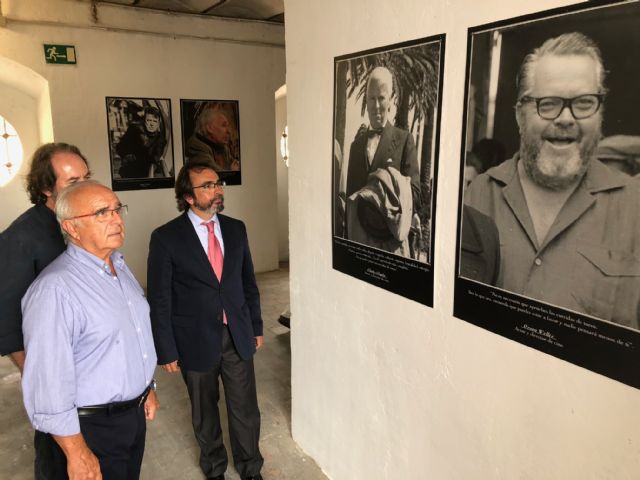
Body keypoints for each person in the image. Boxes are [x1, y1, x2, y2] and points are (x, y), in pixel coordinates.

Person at [465, 32, 640, 328]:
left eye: (584, 103)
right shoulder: (479, 195)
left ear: (600, 113)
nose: (566, 118)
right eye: (548, 103)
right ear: (520, 114)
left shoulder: (634, 207)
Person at [21, 180, 159, 479]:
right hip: (89, 429)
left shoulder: (119, 268)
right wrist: (75, 451)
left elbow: (131, 337)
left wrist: (146, 388)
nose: (117, 219)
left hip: (130, 418)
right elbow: (48, 382)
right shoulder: (54, 289)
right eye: (101, 213)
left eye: (116, 209)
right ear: (71, 228)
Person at [147, 163, 263, 480]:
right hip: (194, 338)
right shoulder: (166, 238)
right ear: (187, 196)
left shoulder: (236, 228)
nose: (216, 190)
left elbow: (247, 282)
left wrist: (256, 325)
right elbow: (159, 299)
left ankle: (251, 468)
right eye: (207, 186)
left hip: (237, 333)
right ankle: (214, 468)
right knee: (204, 410)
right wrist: (166, 349)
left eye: (218, 183)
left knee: (245, 409)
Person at [0, 143, 91, 374]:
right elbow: (7, 317)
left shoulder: (88, 221)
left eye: (86, 178)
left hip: (91, 347)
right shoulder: (19, 238)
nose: (85, 187)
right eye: (73, 182)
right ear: (46, 188)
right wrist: (33, 373)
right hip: (53, 355)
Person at [344, 66, 421, 254]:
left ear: (391, 100)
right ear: (366, 100)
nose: (376, 105)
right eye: (371, 98)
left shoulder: (404, 140)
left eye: (381, 98)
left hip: (390, 245)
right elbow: (351, 197)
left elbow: (415, 193)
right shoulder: (355, 147)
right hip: (360, 242)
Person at [186, 104, 240, 172]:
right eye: (224, 125)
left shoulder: (222, 147)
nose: (229, 131)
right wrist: (232, 171)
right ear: (209, 128)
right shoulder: (196, 146)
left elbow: (234, 164)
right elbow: (214, 174)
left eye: (227, 125)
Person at [117, 106, 167, 178]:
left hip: (144, 173)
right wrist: (125, 155)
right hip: (128, 171)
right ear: (144, 120)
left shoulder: (160, 139)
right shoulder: (133, 130)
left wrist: (135, 157)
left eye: (155, 121)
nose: (151, 124)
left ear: (158, 123)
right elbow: (120, 147)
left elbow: (155, 157)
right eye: (149, 120)